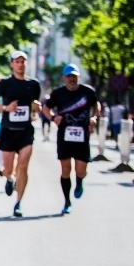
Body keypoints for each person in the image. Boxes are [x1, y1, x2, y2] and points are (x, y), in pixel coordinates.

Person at [42, 64, 100, 214]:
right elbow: (45, 108)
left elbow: (96, 105)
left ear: (78, 77)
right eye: (69, 77)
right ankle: (67, 201)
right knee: (65, 169)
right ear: (64, 78)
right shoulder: (58, 93)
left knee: (81, 170)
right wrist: (54, 118)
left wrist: (94, 117)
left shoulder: (87, 91)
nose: (72, 79)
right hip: (64, 135)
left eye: (74, 76)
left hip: (82, 135)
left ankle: (79, 181)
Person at [0, 50, 42, 217]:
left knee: (23, 166)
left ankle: (18, 202)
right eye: (17, 61)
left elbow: (35, 105)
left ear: (26, 64)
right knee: (8, 168)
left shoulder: (34, 84)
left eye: (23, 61)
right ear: (12, 64)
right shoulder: (5, 84)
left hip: (25, 131)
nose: (20, 64)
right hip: (8, 131)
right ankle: (9, 179)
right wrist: (6, 108)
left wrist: (37, 108)